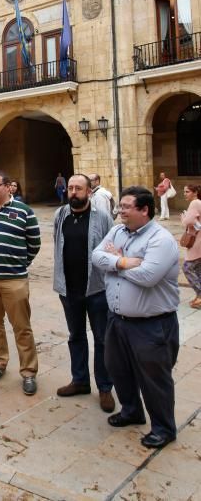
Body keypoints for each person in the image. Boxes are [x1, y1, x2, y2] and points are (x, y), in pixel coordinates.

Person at [92, 186, 180, 449]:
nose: (120, 211)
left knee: (154, 378)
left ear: (144, 210)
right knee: (118, 369)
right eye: (120, 206)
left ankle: (164, 428)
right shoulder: (118, 230)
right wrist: (123, 262)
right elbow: (97, 256)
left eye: (126, 207)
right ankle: (131, 410)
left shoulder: (160, 240)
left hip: (151, 324)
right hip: (117, 320)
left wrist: (116, 261)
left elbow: (148, 277)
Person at [0, 171, 41, 395]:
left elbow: (35, 242)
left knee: (22, 327)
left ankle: (29, 372)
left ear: (7, 187)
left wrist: (20, 263)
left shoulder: (23, 211)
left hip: (14, 279)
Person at [53, 174, 115, 413]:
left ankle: (105, 387)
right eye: (70, 188)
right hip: (69, 289)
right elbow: (57, 244)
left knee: (101, 339)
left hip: (96, 288)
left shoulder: (102, 218)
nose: (73, 192)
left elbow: (112, 249)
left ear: (89, 192)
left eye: (78, 188)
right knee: (75, 335)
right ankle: (79, 380)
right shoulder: (60, 216)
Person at [180, 184, 201, 309]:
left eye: (187, 191)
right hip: (198, 239)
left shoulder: (194, 203)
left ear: (195, 192)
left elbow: (189, 222)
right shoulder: (199, 202)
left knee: (187, 267)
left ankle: (200, 294)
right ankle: (199, 297)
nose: (185, 194)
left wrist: (183, 218)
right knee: (198, 269)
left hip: (197, 242)